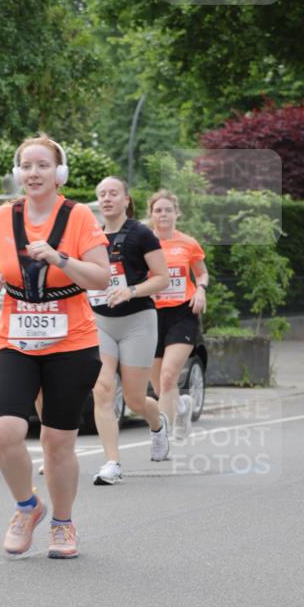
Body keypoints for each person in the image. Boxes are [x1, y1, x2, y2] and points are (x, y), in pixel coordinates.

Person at [0, 135, 109, 559]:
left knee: (57, 442)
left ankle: (63, 523)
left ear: (59, 174)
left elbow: (100, 278)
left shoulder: (79, 218)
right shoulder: (2, 216)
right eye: (26, 166)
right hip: (15, 336)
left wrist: (59, 259)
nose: (33, 173)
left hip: (71, 341)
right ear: (18, 173)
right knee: (3, 431)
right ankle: (27, 507)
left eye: (42, 165)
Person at [90, 177, 171, 482]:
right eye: (102, 194)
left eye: (114, 193)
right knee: (102, 389)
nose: (107, 198)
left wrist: (132, 290)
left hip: (137, 320)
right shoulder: (91, 235)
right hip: (100, 322)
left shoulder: (141, 233)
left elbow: (162, 278)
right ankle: (112, 463)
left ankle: (157, 424)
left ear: (126, 199)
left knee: (136, 400)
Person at [148, 189, 209, 443]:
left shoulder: (188, 243)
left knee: (168, 376)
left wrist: (202, 290)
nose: (163, 214)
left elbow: (202, 273)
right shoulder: (144, 242)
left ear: (177, 213)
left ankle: (161, 437)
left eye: (167, 210)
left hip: (182, 312)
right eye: (158, 210)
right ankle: (182, 408)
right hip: (150, 315)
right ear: (151, 215)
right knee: (159, 386)